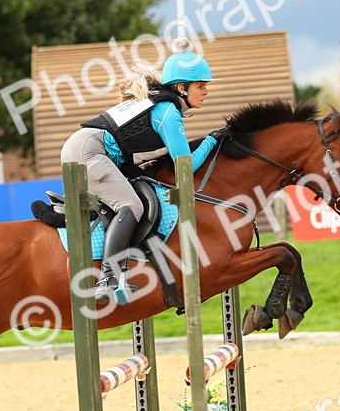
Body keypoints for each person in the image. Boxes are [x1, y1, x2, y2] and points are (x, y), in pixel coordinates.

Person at [63, 36, 230, 305]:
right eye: (201, 85)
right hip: (88, 151)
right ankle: (108, 278)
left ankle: (123, 269)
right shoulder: (167, 112)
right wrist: (211, 140)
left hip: (92, 148)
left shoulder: (163, 106)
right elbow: (184, 167)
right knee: (131, 206)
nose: (206, 91)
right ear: (181, 88)